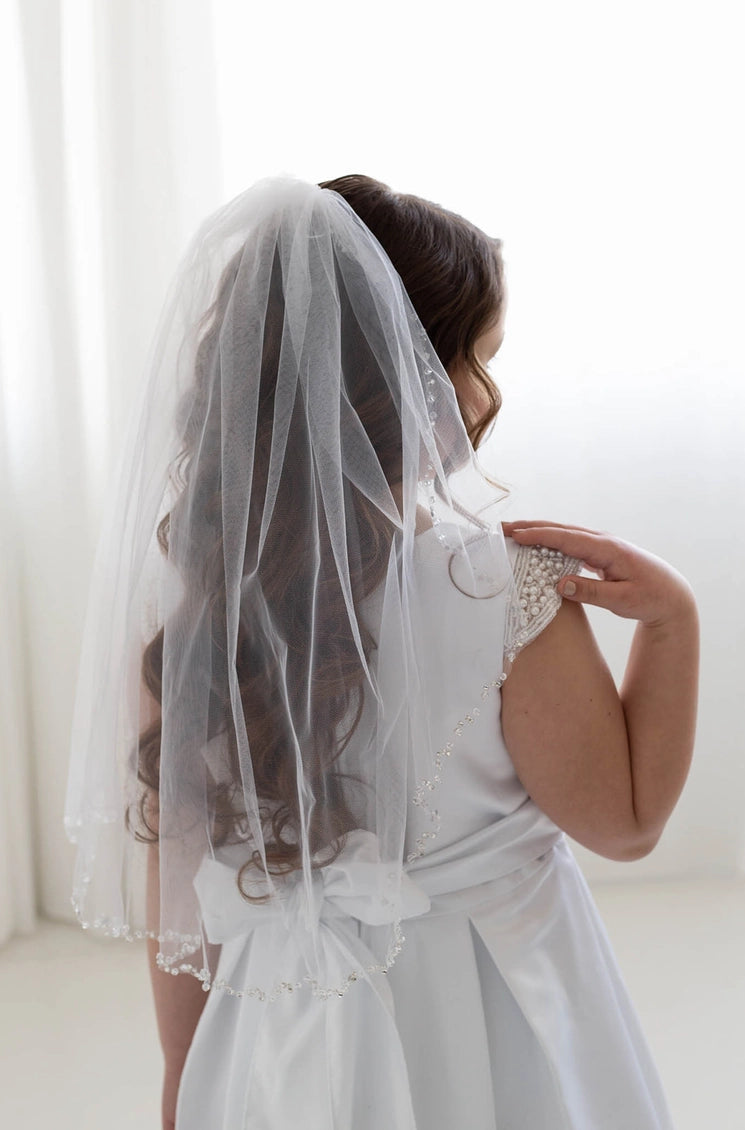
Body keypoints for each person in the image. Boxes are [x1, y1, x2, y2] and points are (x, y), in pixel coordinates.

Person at [65, 175, 699, 1130]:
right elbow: (628, 822)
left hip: (277, 1043)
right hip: (495, 1016)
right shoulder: (504, 590)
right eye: (475, 360)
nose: (491, 394)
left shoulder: (190, 632)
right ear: (394, 377)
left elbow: (182, 915)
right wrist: (673, 624)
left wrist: (183, 1077)